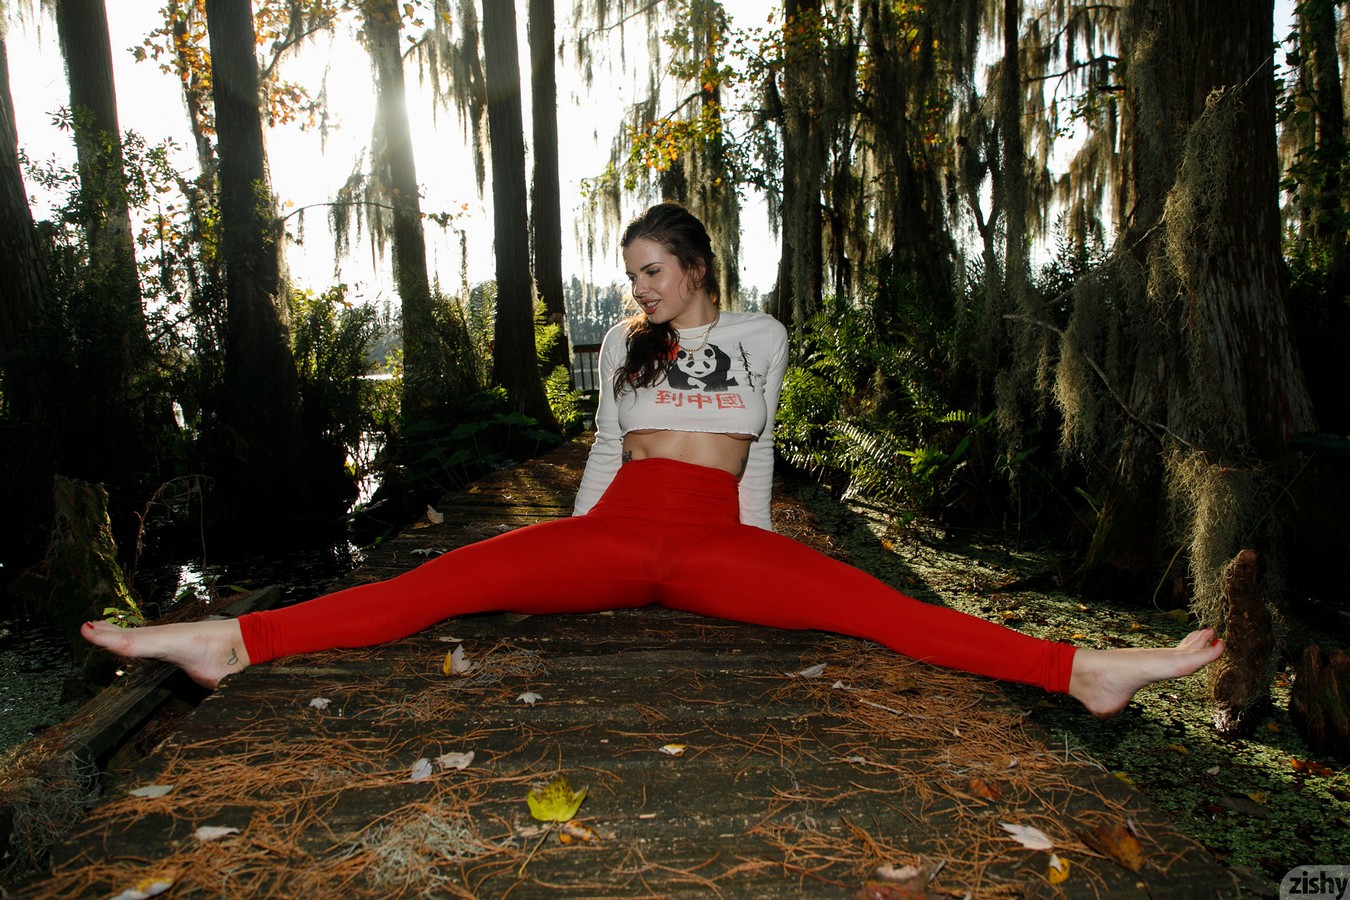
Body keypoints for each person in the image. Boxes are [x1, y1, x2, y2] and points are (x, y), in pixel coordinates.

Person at [83, 202, 1223, 718]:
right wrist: (575, 541)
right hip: (616, 533)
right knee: (443, 582)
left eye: (652, 272)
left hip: (715, 543)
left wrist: (765, 557)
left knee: (878, 610)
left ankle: (1081, 670)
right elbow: (604, 455)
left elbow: (756, 453)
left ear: (695, 266)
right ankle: (235, 641)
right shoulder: (627, 349)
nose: (638, 289)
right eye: (630, 274)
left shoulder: (760, 336)